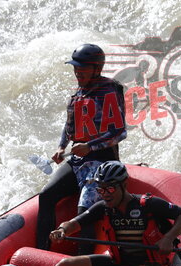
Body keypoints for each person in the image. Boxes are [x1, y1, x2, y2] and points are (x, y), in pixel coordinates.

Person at [37, 161, 181, 266]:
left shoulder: (148, 204)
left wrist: (168, 238)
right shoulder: (103, 208)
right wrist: (61, 230)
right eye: (100, 189)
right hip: (118, 264)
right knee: (65, 265)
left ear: (124, 185)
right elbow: (73, 223)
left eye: (110, 189)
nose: (105, 194)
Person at [36, 43, 128, 254]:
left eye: (83, 68)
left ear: (97, 69)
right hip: (78, 161)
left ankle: (84, 261)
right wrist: (61, 147)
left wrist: (90, 146)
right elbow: (69, 126)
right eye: (75, 68)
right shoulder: (78, 95)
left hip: (102, 161)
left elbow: (120, 132)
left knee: (83, 213)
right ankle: (42, 250)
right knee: (46, 196)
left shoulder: (109, 91)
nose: (78, 72)